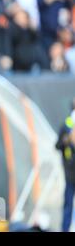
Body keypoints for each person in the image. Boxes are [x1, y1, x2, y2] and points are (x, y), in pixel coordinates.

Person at [55, 97, 75, 232]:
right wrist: (67, 140)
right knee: (68, 203)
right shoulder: (67, 125)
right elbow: (57, 145)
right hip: (70, 173)